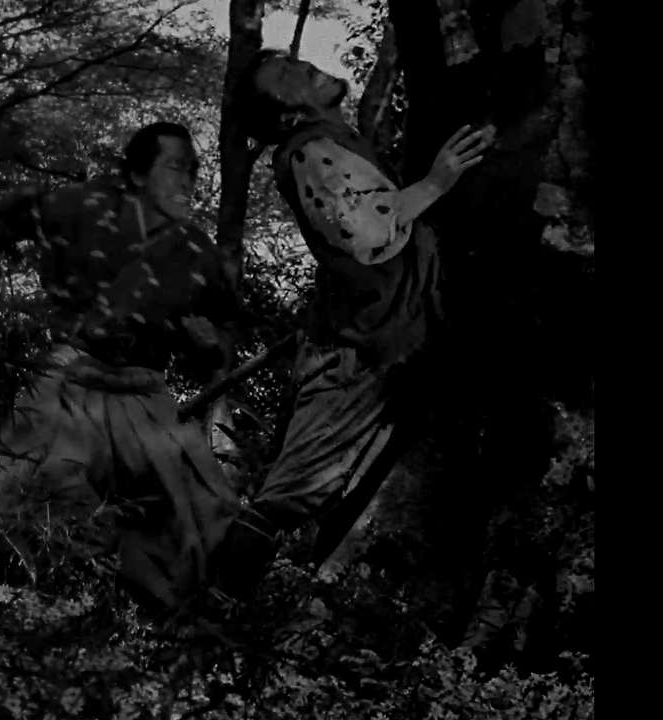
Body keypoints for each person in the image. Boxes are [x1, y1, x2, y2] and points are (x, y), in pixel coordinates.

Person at [0, 122, 244, 612]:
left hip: (144, 393)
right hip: (69, 381)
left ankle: (163, 623)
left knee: (206, 512)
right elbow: (23, 205)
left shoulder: (197, 252)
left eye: (194, 171)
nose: (187, 181)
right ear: (137, 175)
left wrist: (208, 346)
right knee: (18, 495)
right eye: (176, 168)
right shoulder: (88, 207)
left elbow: (218, 347)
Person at [214, 49, 495, 597]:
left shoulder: (333, 143)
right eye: (285, 74)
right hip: (357, 347)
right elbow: (365, 233)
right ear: (289, 114)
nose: (300, 65)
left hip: (382, 335)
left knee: (346, 475)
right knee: (289, 492)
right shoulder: (309, 151)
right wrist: (436, 182)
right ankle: (212, 610)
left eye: (290, 59)